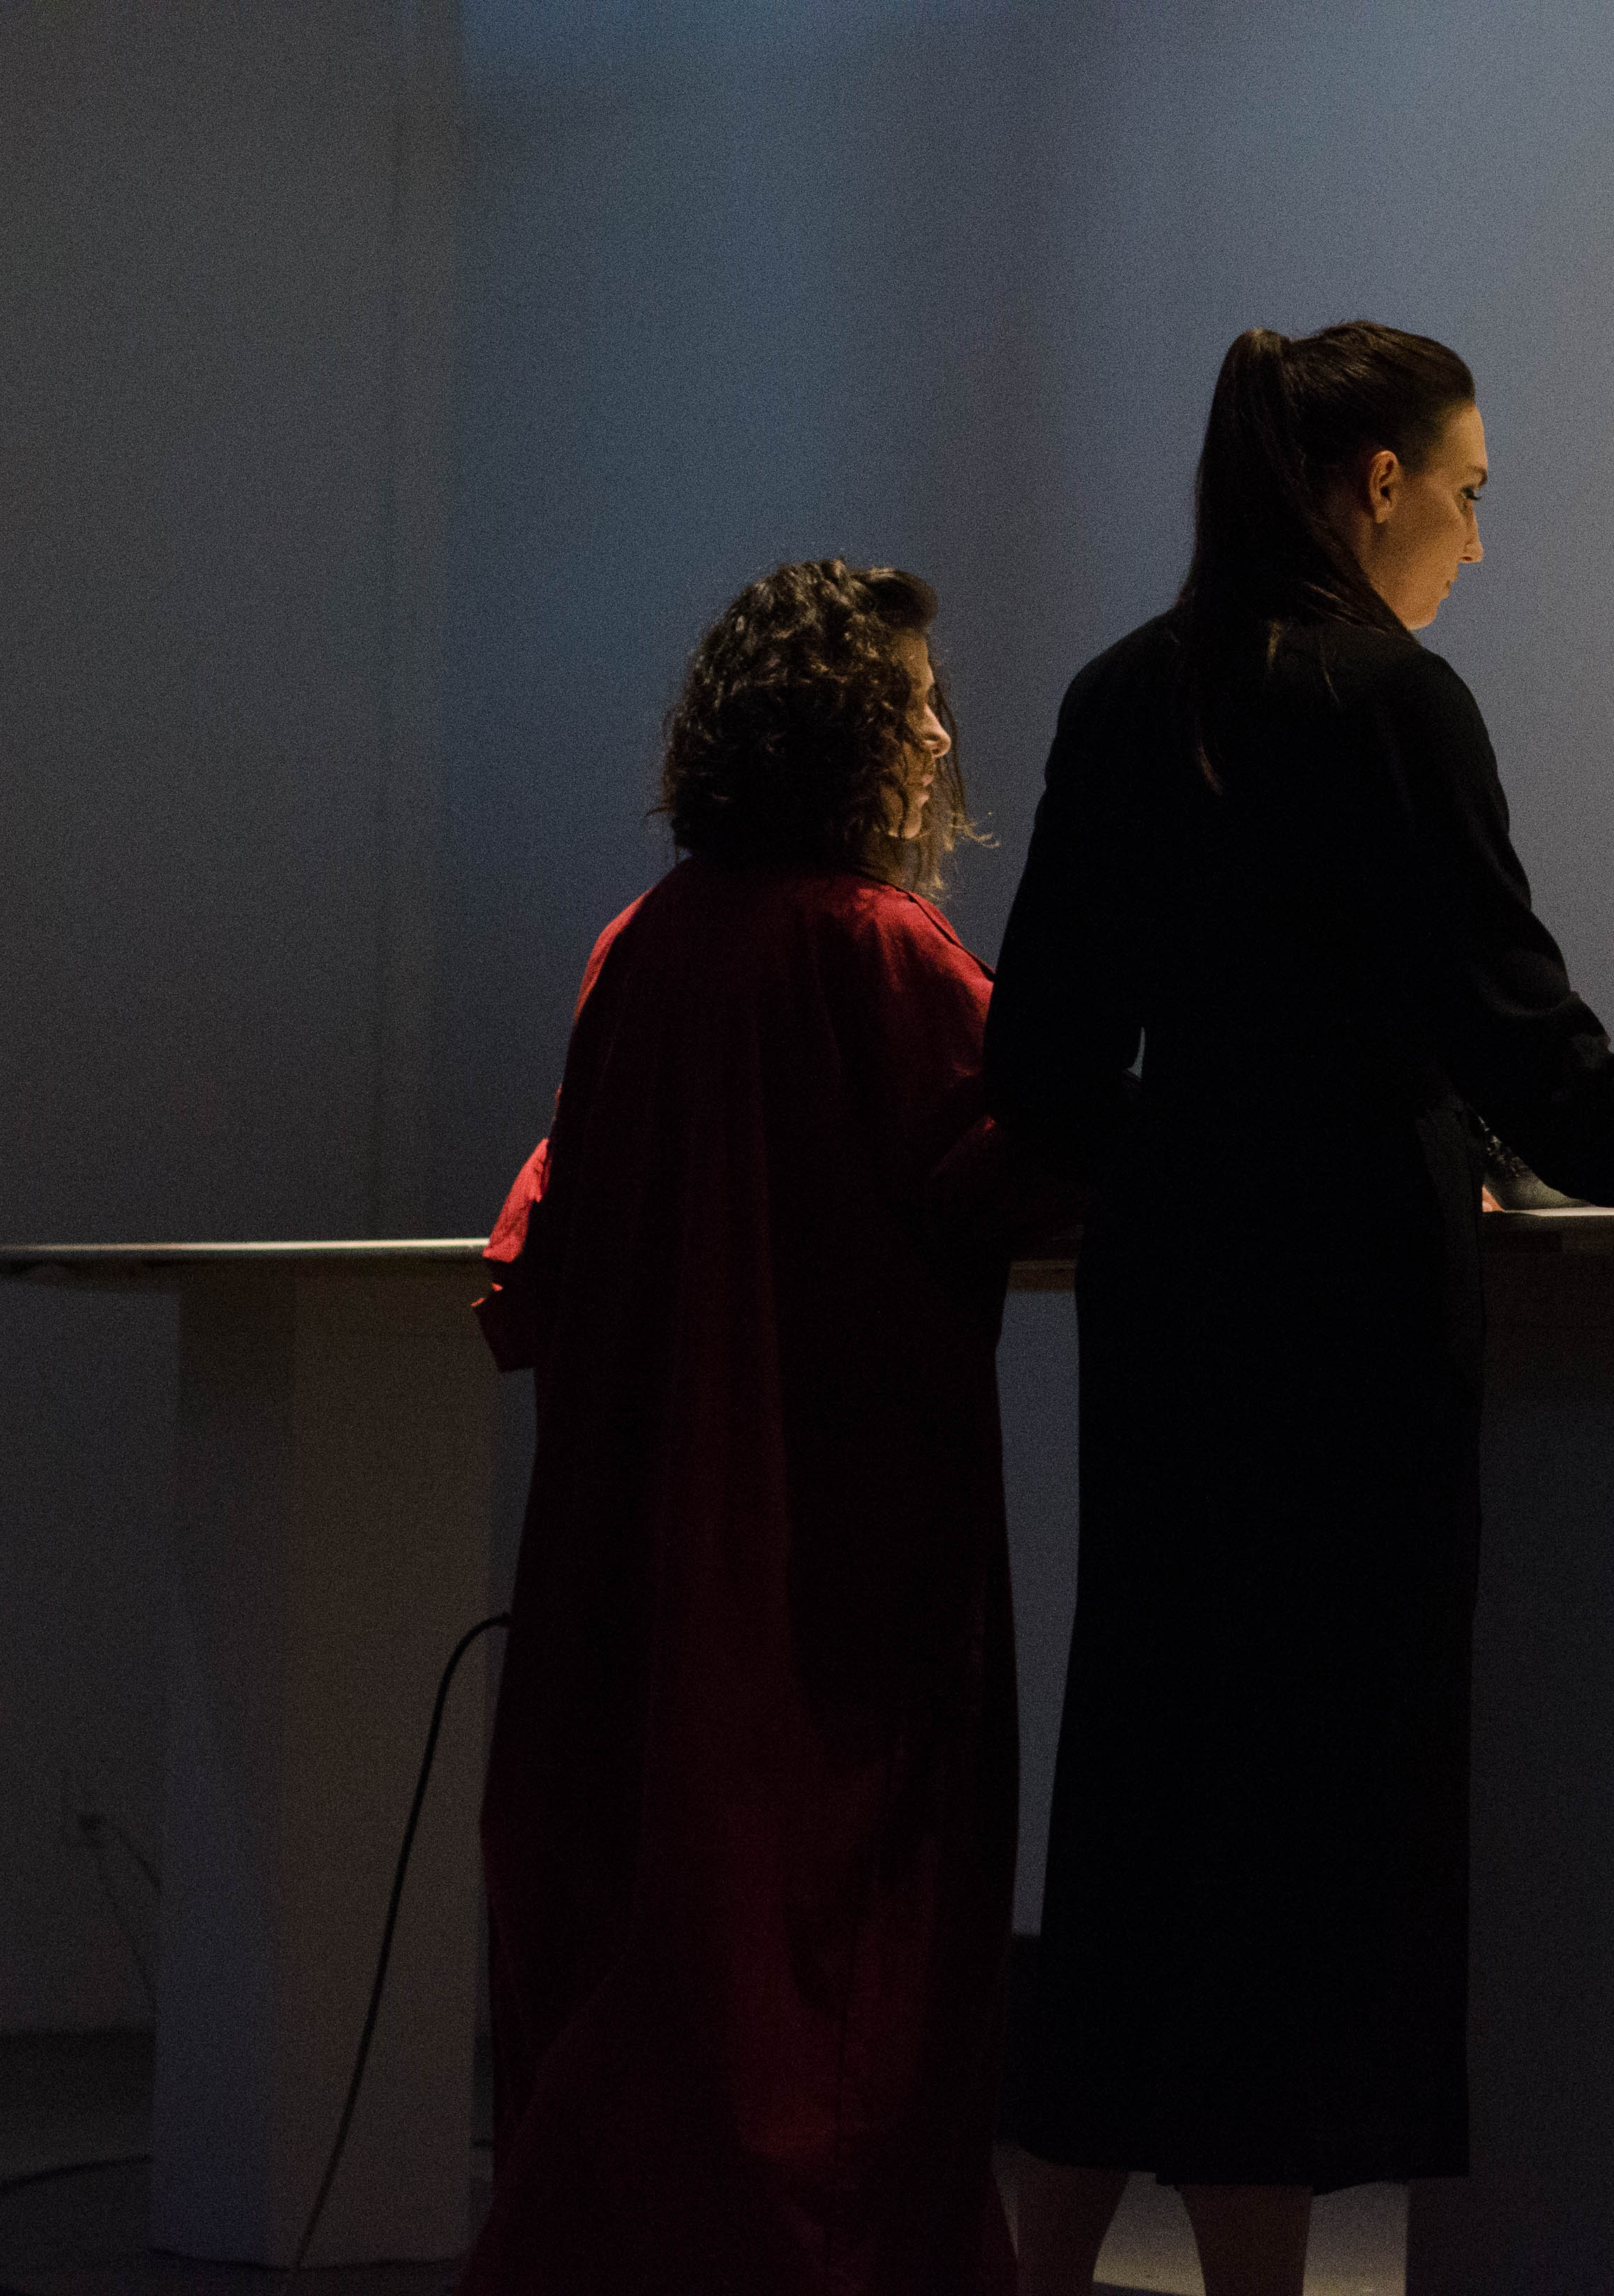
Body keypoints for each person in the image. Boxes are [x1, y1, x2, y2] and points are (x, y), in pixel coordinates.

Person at [982, 322, 1614, 2296]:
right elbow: (1543, 1065)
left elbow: (1046, 1073)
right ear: (1378, 488)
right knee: (1311, 1815)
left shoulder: (1117, 692)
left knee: (1145, 1789)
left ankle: (1035, 2271)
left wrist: (1209, 1143)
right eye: (1471, 493)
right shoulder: (1392, 699)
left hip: (1169, 1307)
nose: (1482, 542)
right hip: (1347, 1305)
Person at [470, 561, 1062, 2296]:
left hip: (637, 1540)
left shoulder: (644, 944)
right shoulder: (877, 951)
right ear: (854, 730)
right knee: (829, 1951)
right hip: (832, 1539)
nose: (942, 734)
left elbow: (550, 1234)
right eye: (918, 701)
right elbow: (1015, 1161)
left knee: (646, 1912)